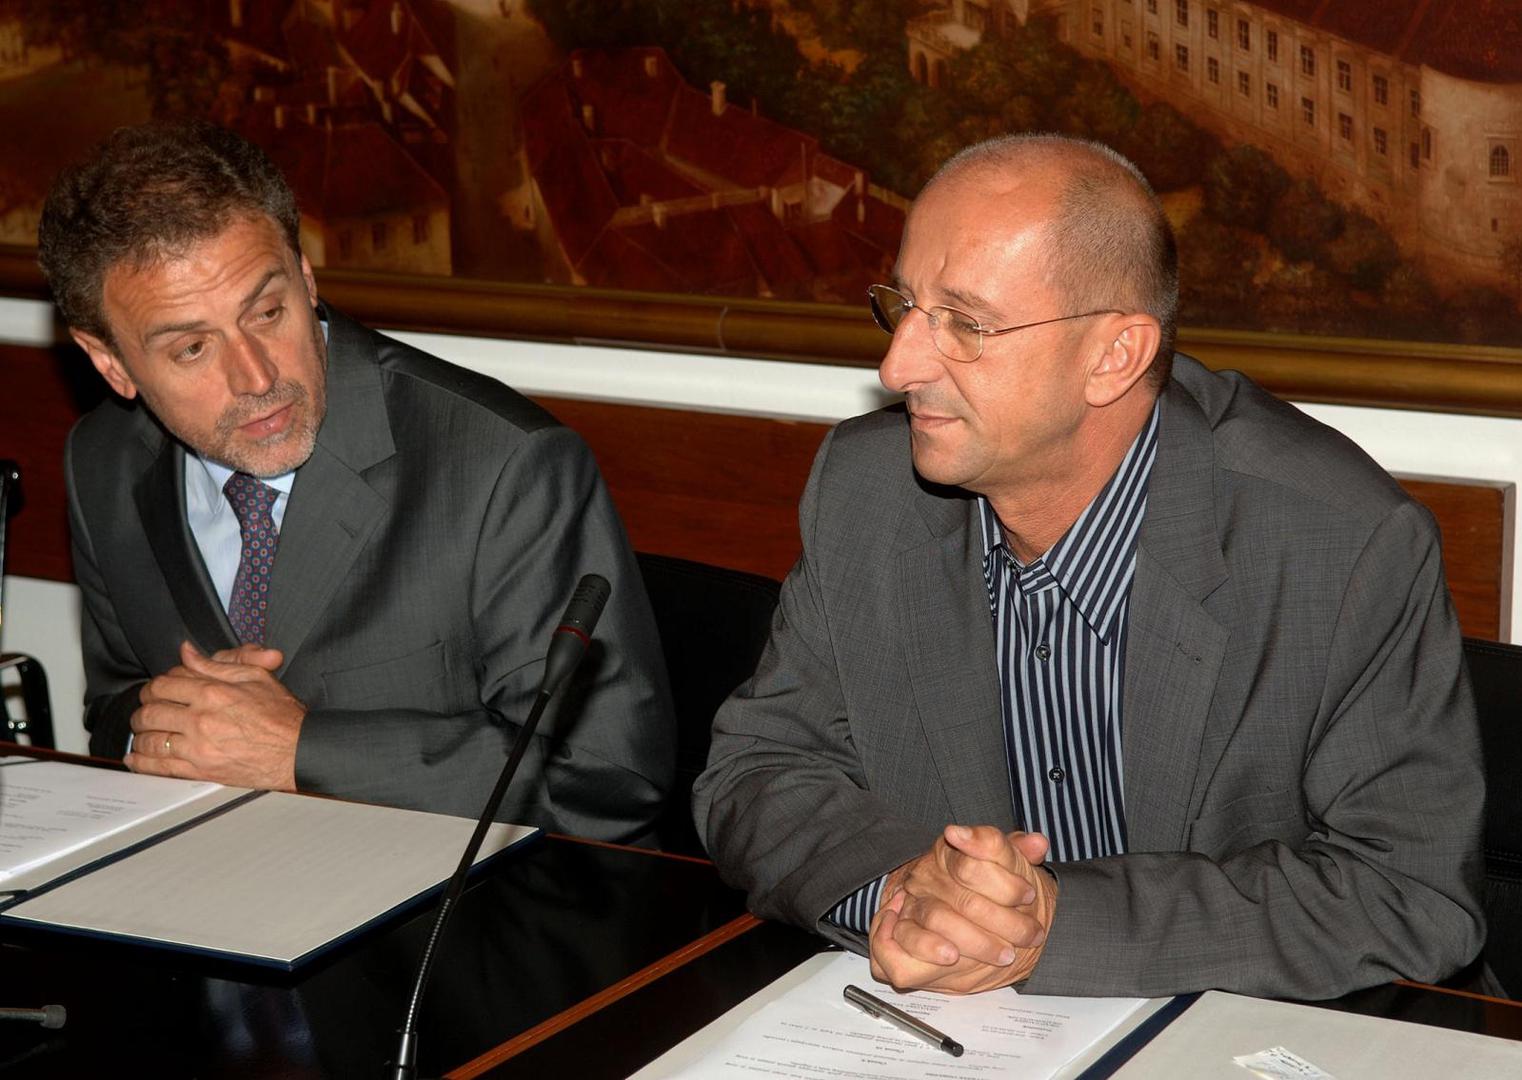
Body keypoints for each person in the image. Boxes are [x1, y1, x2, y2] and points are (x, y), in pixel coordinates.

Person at [693, 134, 1485, 999]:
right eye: (904, 306)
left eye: (965, 323)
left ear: (1114, 356)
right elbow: (759, 770)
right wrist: (907, 897)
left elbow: (1407, 892)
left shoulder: (1339, 541)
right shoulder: (867, 491)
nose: (897, 365)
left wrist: (1057, 926)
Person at [39, 119, 675, 843]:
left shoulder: (505, 465)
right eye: (191, 348)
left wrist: (298, 751)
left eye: (268, 312)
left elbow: (607, 774)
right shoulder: (103, 460)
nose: (258, 378)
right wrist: (176, 732)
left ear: (306, 276)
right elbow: (118, 703)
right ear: (110, 362)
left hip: (464, 904)